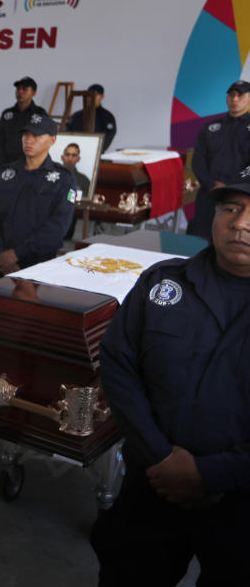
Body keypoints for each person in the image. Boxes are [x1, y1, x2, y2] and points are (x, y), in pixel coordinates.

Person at [92, 181, 250, 586]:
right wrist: (162, 459)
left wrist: (211, 474)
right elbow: (118, 365)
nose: (241, 223)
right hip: (152, 484)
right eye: (230, 208)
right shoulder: (162, 282)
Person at [0, 113, 76, 278]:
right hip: (1, 262)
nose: (28, 140)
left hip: (38, 264)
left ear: (52, 140)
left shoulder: (63, 179)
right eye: (26, 134)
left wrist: (15, 254)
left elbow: (57, 227)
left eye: (37, 135)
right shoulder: (6, 172)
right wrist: (0, 254)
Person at [188, 80, 250, 240]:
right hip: (209, 193)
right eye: (231, 95)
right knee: (199, 240)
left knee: (231, 241)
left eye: (240, 95)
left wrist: (230, 186)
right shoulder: (211, 127)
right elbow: (198, 160)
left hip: (239, 196)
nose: (235, 99)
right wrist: (212, 184)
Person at [0, 76, 48, 166]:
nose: (20, 92)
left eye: (25, 89)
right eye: (18, 89)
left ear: (33, 93)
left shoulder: (40, 113)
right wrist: (3, 164)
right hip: (9, 163)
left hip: (32, 165)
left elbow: (45, 140)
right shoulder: (7, 114)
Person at [66, 83, 116, 152]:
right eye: (89, 95)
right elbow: (67, 131)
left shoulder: (107, 116)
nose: (91, 98)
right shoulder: (77, 115)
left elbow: (109, 135)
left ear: (102, 97)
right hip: (74, 152)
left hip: (95, 153)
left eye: (95, 95)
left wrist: (97, 150)